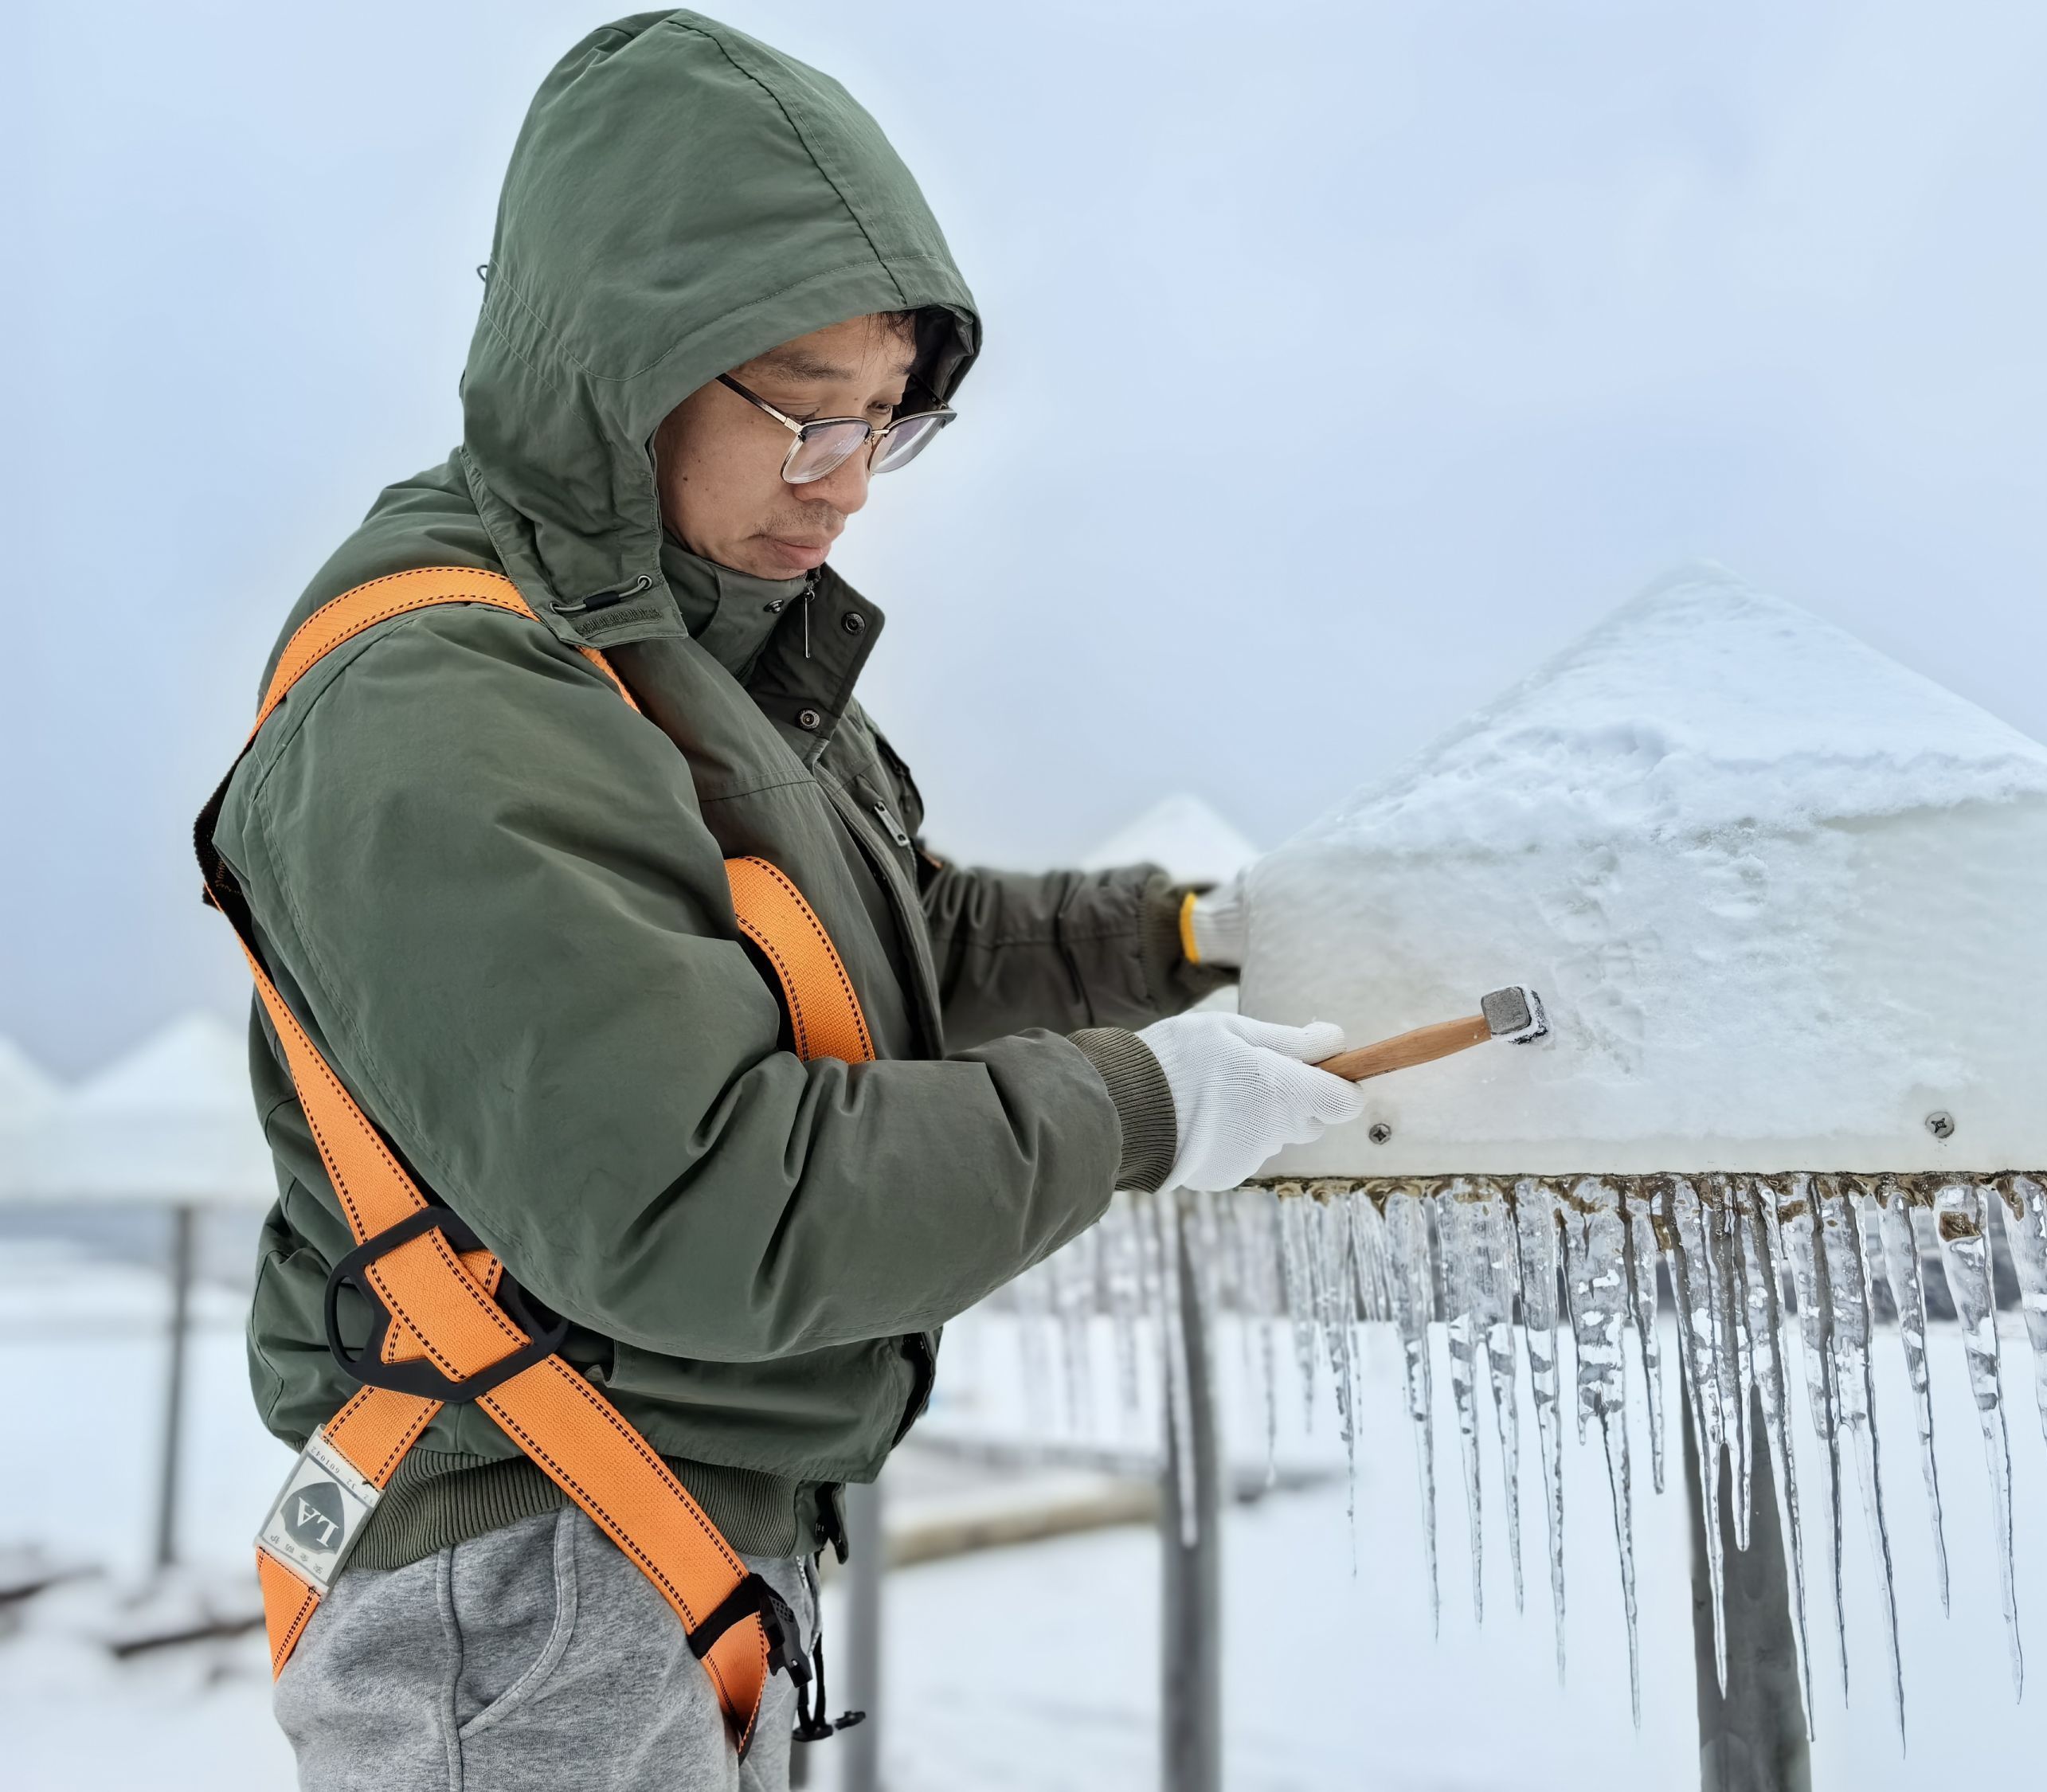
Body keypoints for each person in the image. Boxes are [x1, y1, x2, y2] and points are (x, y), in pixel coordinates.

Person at [213, 14, 1362, 1789]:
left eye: (884, 428)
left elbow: (904, 946)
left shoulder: (687, 669)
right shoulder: (447, 702)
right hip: (529, 1593)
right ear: (616, 365)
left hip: (660, 1553)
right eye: (803, 414)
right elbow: (693, 1193)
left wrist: (1185, 940)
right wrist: (1135, 1107)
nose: (840, 483)